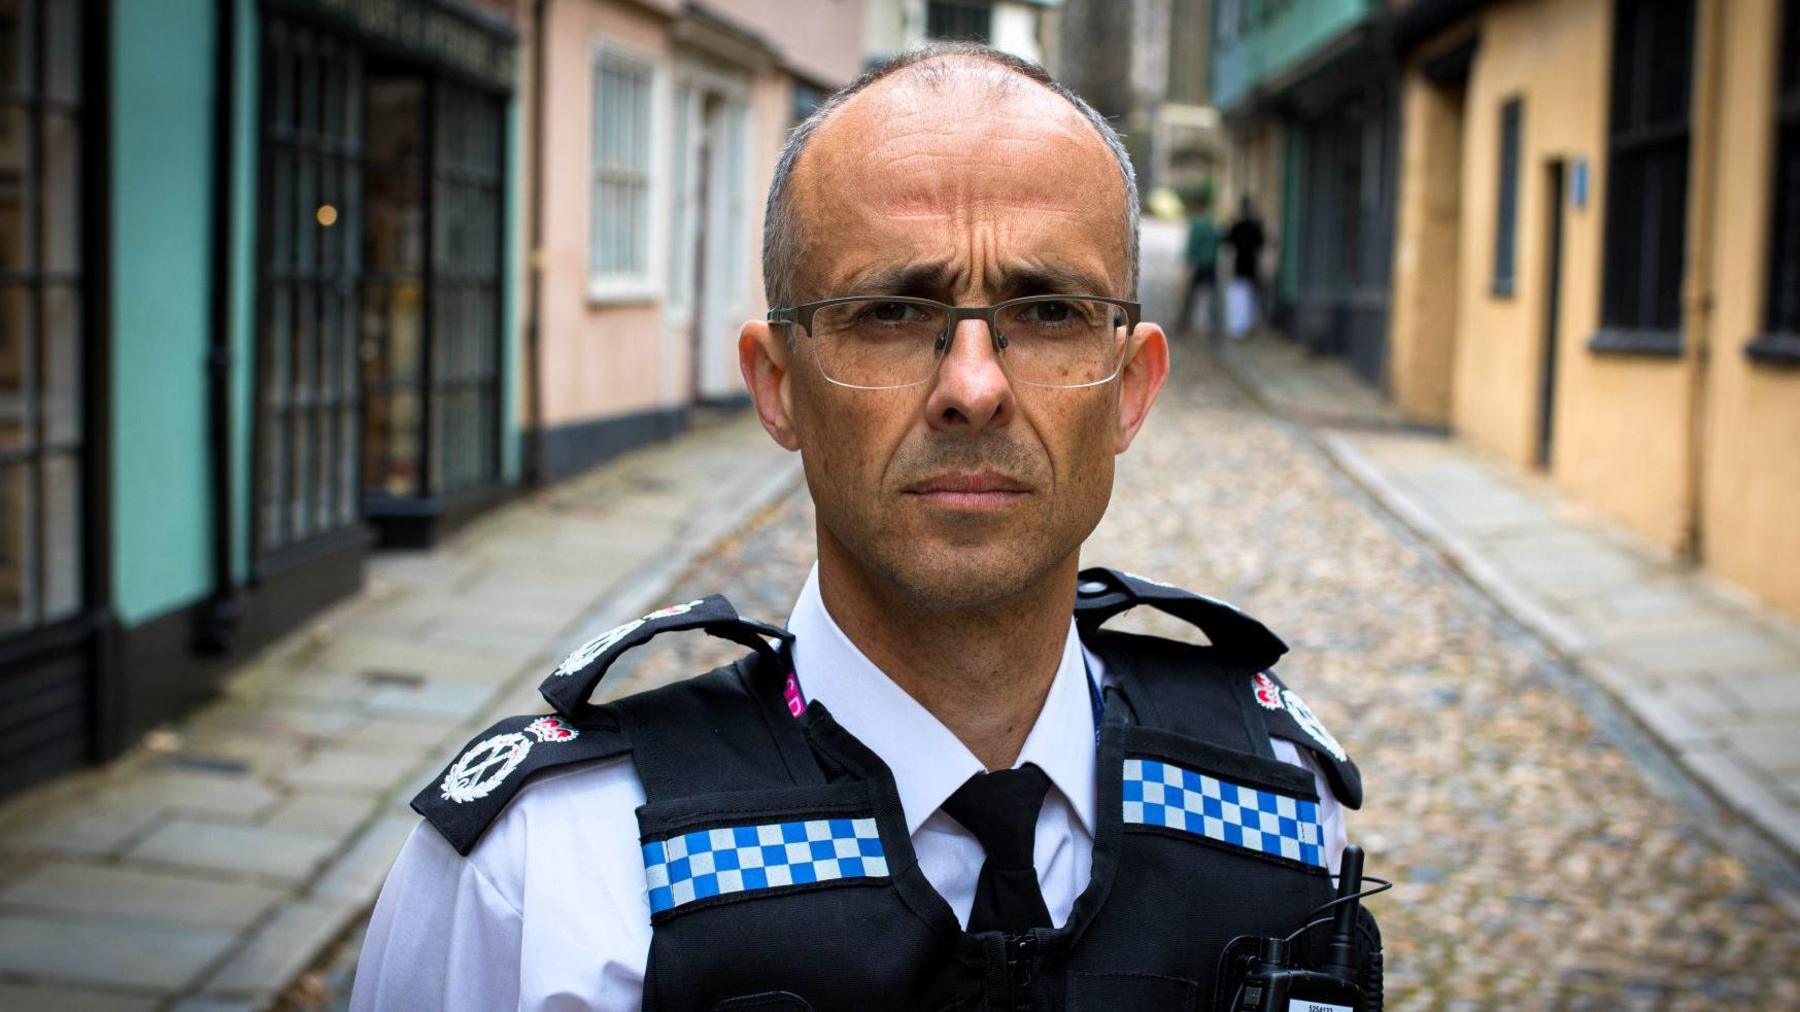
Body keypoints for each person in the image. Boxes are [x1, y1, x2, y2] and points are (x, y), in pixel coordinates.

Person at [351, 43, 1378, 1011]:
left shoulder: (1276, 814)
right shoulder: (553, 874)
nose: (972, 388)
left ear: (1131, 388)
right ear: (776, 383)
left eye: (1050, 312)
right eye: (889, 311)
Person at [1177, 191, 1221, 336]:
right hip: (1211, 265)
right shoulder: (1211, 224)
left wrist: (1187, 265)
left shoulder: (1197, 225)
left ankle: (1183, 324)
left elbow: (1192, 247)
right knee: (1212, 296)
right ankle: (1215, 326)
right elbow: (1218, 241)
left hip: (1199, 265)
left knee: (1190, 296)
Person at [1225, 196, 1268, 339]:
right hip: (1251, 267)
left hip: (1240, 267)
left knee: (1241, 299)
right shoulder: (1255, 226)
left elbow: (1227, 241)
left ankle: (1241, 327)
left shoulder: (1239, 226)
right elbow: (1261, 244)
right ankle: (1247, 326)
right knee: (1250, 299)